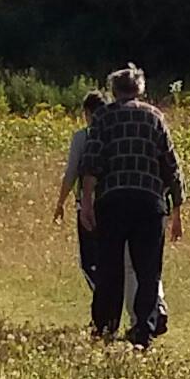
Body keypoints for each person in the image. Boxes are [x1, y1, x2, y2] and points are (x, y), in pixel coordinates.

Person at [80, 65, 182, 350]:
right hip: (149, 202)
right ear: (141, 89)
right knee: (148, 269)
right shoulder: (155, 117)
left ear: (114, 90)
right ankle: (143, 329)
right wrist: (177, 209)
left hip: (112, 200)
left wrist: (86, 202)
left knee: (110, 266)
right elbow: (171, 166)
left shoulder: (103, 117)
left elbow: (91, 162)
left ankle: (104, 326)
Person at [54, 87, 119, 336]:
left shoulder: (83, 137)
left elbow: (72, 172)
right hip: (116, 204)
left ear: (88, 113)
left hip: (89, 205)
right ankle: (109, 313)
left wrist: (60, 202)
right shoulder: (116, 132)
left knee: (91, 263)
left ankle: (102, 312)